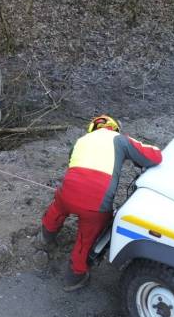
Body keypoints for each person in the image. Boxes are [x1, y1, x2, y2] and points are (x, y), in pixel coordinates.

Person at [40, 115, 162, 291]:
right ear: (113, 128)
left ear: (91, 129)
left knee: (57, 209)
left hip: (67, 192)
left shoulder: (80, 141)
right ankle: (74, 276)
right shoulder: (120, 140)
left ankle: (46, 236)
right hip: (96, 204)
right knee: (86, 238)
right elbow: (154, 157)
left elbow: (71, 164)